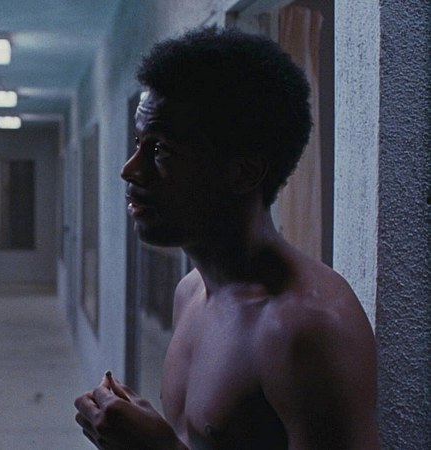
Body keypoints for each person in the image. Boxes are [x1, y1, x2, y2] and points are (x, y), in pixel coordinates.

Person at [74, 25, 379, 449]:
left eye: (160, 150)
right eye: (138, 142)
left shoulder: (308, 327)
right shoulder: (190, 293)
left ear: (242, 173)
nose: (130, 169)